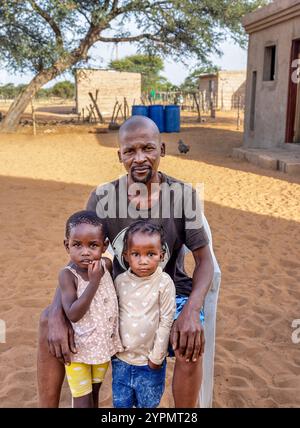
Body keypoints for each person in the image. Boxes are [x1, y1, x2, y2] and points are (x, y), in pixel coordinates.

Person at [37, 115, 214, 408]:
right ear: (120, 155)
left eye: (148, 148)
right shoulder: (103, 197)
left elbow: (204, 261)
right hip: (112, 295)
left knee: (190, 339)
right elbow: (82, 260)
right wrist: (58, 310)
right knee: (48, 323)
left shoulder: (184, 195)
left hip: (168, 293)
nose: (140, 158)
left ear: (163, 149)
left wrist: (193, 309)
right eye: (130, 151)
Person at [58, 210, 123, 408]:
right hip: (79, 351)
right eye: (77, 245)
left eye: (93, 245)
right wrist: (94, 283)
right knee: (82, 400)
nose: (85, 252)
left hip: (102, 347)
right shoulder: (68, 276)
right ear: (67, 245)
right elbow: (73, 314)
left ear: (104, 246)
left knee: (95, 395)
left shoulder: (107, 264)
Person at [112, 220, 176, 408]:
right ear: (126, 256)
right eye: (135, 254)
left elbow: (166, 321)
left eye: (151, 254)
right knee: (121, 406)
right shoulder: (120, 281)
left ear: (161, 255)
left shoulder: (164, 283)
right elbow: (114, 315)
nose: (143, 260)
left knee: (148, 406)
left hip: (149, 365)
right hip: (121, 361)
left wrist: (156, 358)